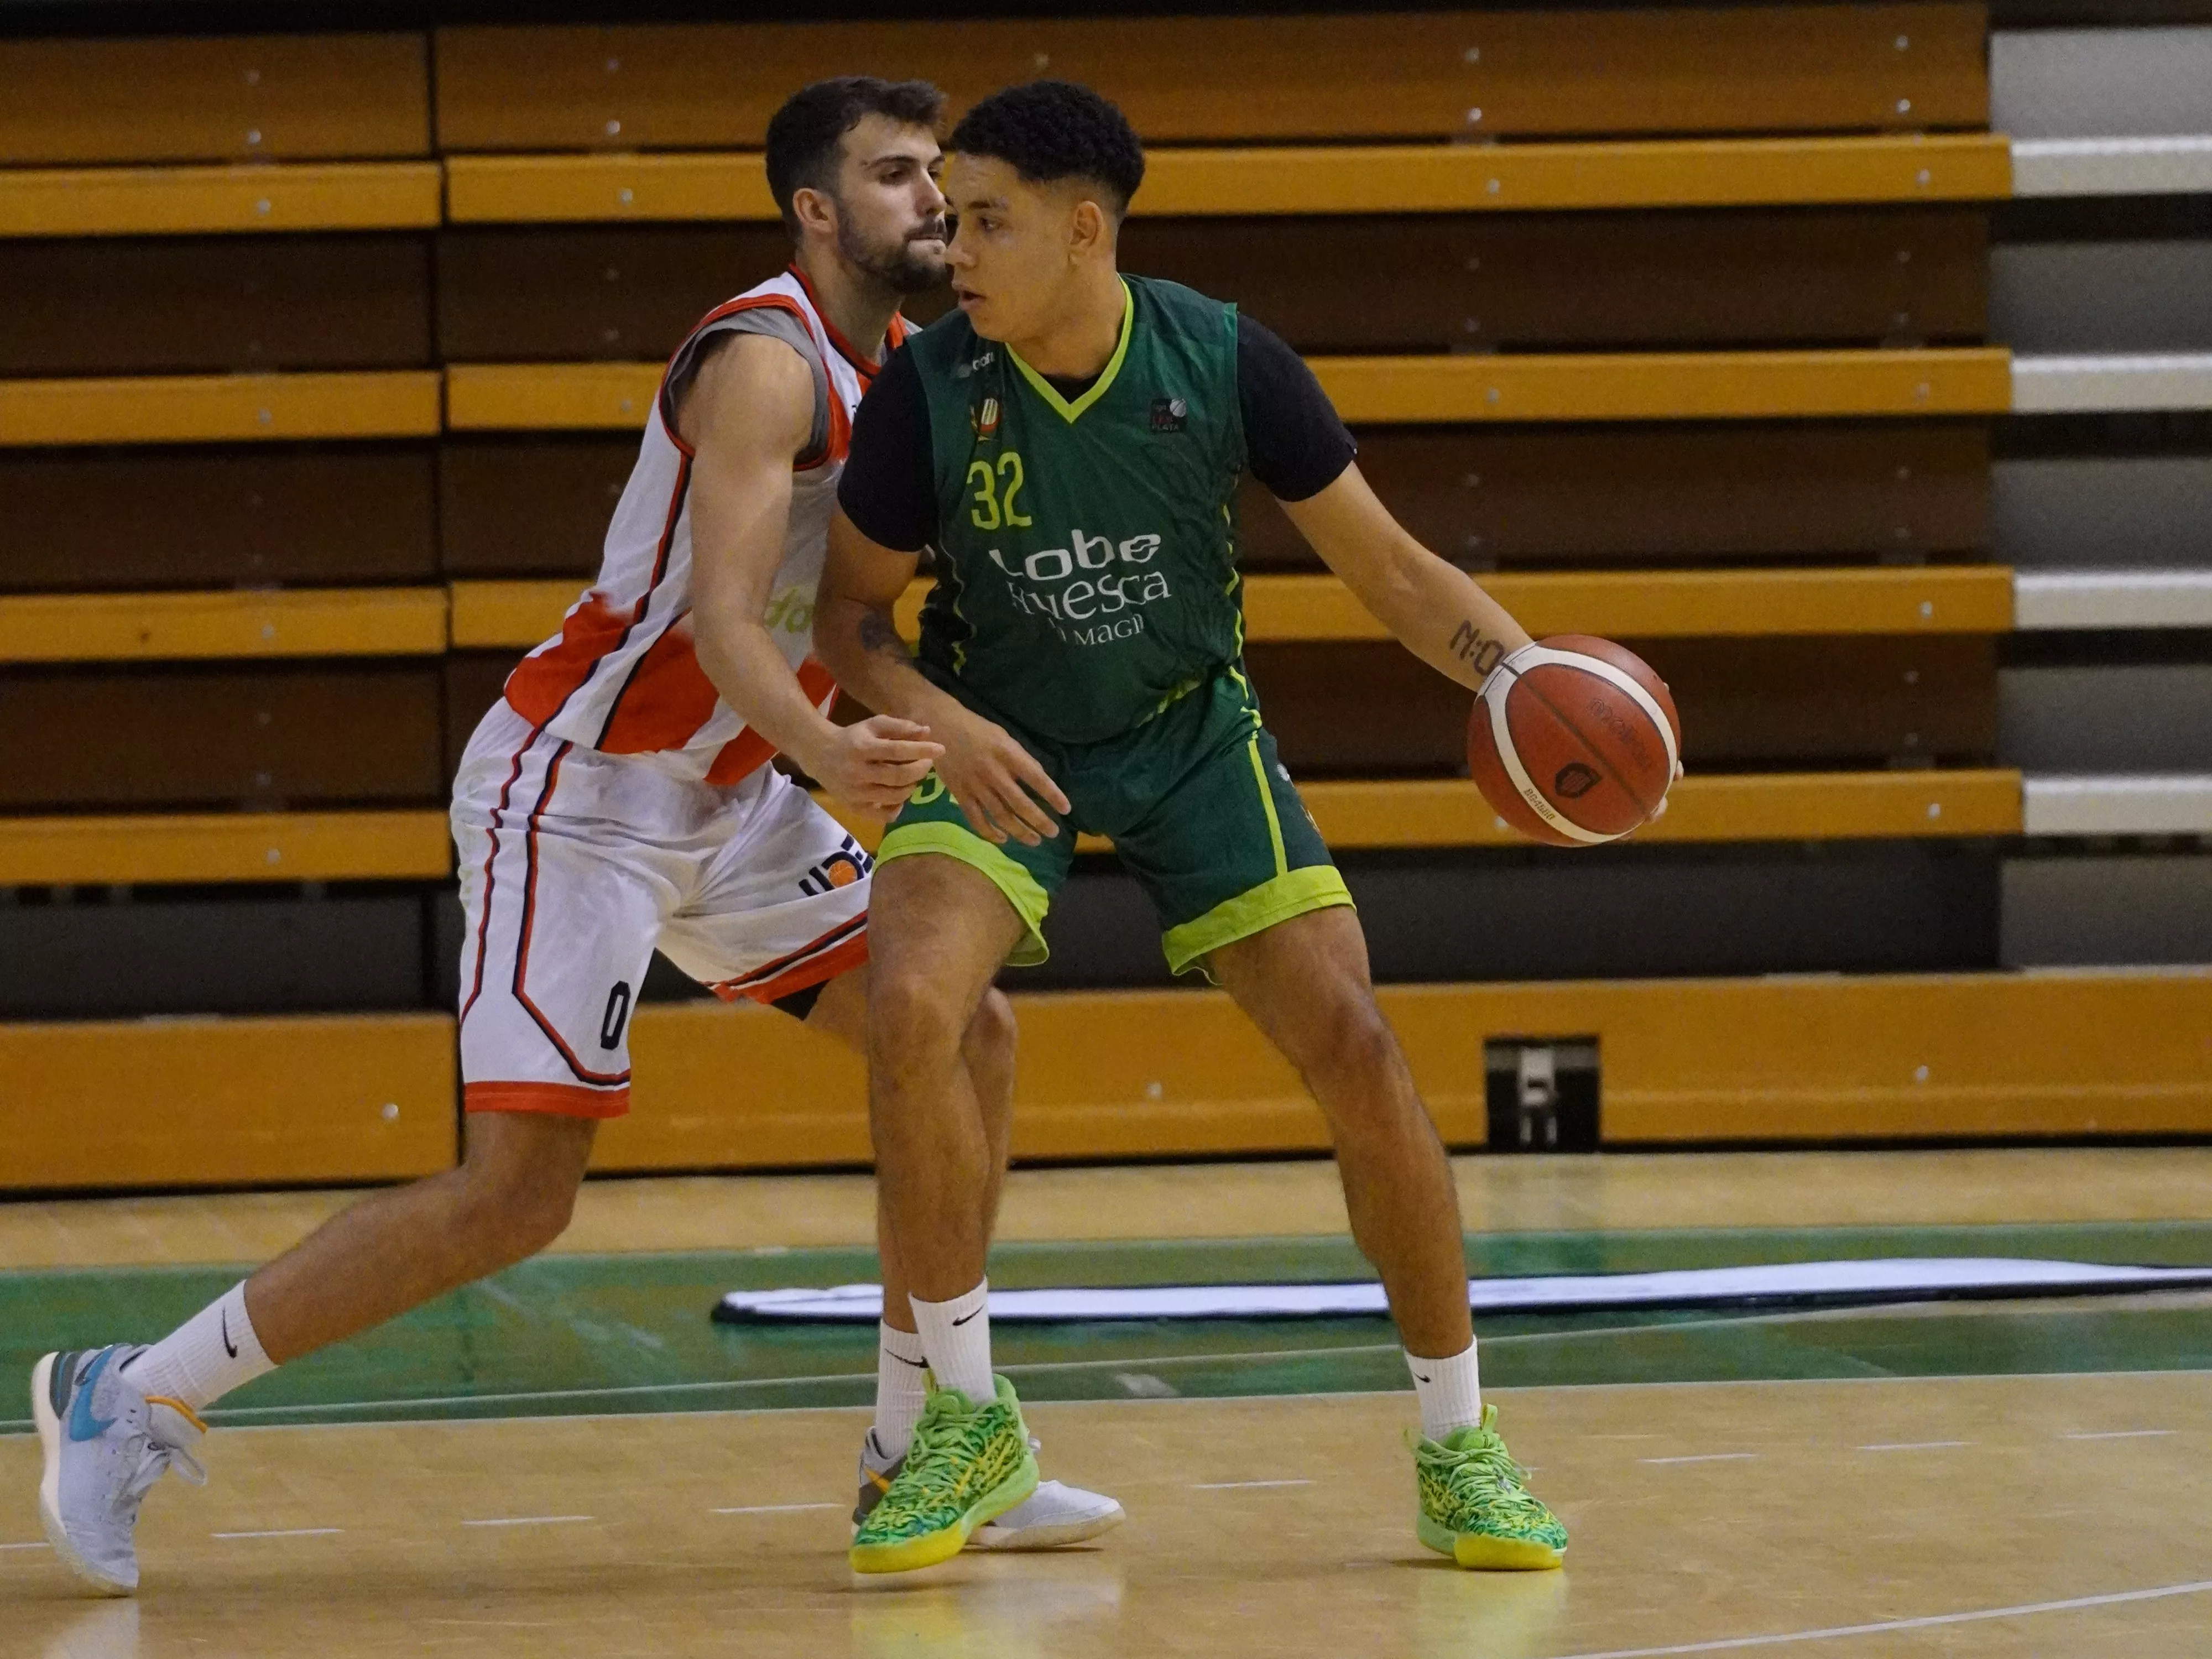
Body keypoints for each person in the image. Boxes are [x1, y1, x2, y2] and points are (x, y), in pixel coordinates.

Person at [30, 76, 1118, 1598]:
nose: (933, 198)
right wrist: (831, 753)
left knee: (964, 1036)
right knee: (519, 1194)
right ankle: (129, 1395)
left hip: (734, 797)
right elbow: (730, 622)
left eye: (941, 172)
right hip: (583, 794)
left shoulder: (924, 371)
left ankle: (926, 1437)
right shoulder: (763, 363)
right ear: (816, 212)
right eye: (894, 174)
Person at [813, 81, 1571, 1575]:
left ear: (1085, 231)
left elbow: (1399, 580)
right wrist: (945, 727)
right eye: (949, 218)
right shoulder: (931, 390)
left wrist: (1529, 680)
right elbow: (848, 619)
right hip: (996, 736)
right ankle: (962, 1420)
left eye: (987, 221)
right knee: (909, 1006)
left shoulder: (1225, 361)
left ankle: (1460, 1442)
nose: (951, 247)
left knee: (1356, 1044)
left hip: (1186, 738)